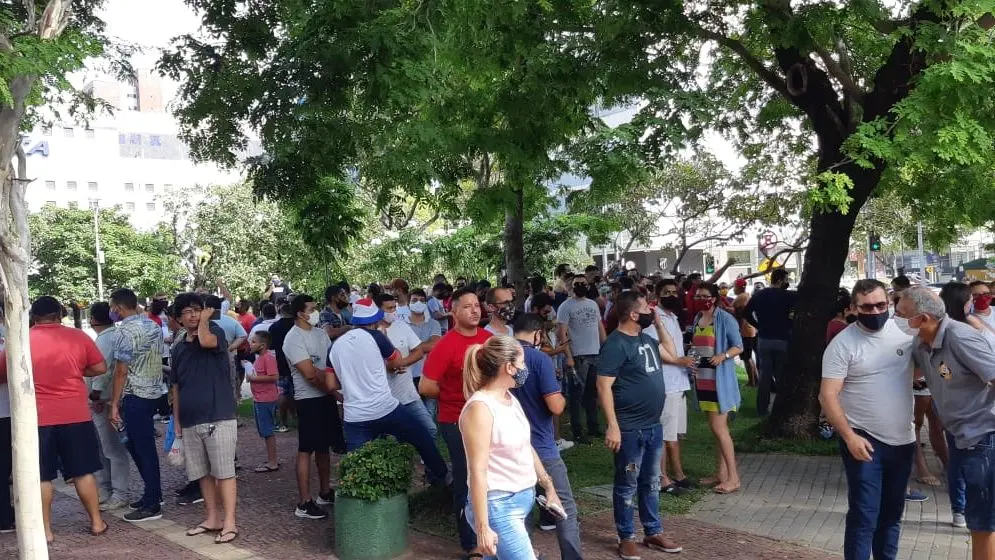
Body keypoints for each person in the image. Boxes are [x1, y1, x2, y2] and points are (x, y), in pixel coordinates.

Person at [820, 279, 916, 560]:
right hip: (864, 441)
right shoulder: (842, 344)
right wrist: (849, 437)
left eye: (880, 305)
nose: (875, 312)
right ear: (853, 308)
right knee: (864, 515)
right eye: (867, 307)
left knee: (892, 514)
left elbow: (929, 368)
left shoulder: (906, 334)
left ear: (889, 303)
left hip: (903, 440)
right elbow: (827, 395)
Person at [0, 296, 108, 542]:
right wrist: (76, 370)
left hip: (37, 418)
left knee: (42, 476)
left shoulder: (22, 341)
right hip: (75, 414)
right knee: (83, 471)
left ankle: (46, 531)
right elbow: (100, 367)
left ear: (33, 317)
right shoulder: (78, 337)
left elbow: (3, 373)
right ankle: (97, 522)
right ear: (60, 315)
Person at [899, 286, 995, 546]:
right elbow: (910, 374)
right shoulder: (921, 343)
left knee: (984, 525)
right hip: (958, 434)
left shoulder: (961, 338)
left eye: (901, 315)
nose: (897, 320)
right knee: (978, 522)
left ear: (923, 318)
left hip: (984, 436)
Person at [461, 335, 565, 560]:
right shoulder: (480, 408)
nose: (524, 368)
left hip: (518, 500)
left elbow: (525, 445)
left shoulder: (508, 398)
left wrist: (549, 487)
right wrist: (483, 527)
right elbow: (477, 470)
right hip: (498, 506)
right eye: (522, 363)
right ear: (509, 367)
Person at [596, 291, 683, 557]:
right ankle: (626, 536)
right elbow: (603, 386)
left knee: (651, 481)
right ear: (633, 314)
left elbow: (672, 353)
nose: (651, 310)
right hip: (629, 429)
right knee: (627, 482)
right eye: (646, 308)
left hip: (652, 426)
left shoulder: (646, 339)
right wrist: (613, 425)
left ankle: (653, 531)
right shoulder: (615, 345)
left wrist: (658, 324)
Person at [328, 298, 450, 484]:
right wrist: (386, 341)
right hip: (385, 408)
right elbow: (396, 362)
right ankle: (444, 477)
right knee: (421, 436)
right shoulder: (377, 337)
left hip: (355, 416)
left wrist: (351, 378)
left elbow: (330, 385)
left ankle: (364, 496)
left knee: (356, 465)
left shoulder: (335, 345)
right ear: (375, 320)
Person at [420, 288, 493, 554]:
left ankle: (495, 532)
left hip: (490, 418)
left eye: (477, 306)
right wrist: (457, 395)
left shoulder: (488, 340)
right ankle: (471, 544)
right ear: (453, 312)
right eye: (467, 306)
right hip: (456, 421)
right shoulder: (445, 345)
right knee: (467, 478)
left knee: (492, 475)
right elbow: (426, 386)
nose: (474, 310)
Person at [169, 293, 239, 544]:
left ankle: (230, 522)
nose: (193, 315)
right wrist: (177, 421)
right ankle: (212, 518)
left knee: (224, 472)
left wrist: (205, 320)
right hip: (190, 419)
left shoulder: (214, 332)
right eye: (187, 311)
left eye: (197, 310)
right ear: (179, 318)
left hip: (218, 416)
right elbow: (176, 387)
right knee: (202, 474)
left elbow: (207, 341)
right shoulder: (178, 348)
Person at [511, 314, 582, 559]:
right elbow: (555, 406)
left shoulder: (499, 356)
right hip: (541, 446)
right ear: (538, 334)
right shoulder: (539, 359)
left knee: (520, 507)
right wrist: (560, 395)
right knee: (563, 506)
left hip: (508, 447)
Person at [107, 288, 165, 522]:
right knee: (141, 446)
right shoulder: (153, 325)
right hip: (154, 391)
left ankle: (152, 503)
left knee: (142, 448)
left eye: (112, 307)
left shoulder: (124, 332)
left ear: (118, 307)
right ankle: (153, 493)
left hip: (135, 394)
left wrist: (114, 403)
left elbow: (121, 370)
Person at [283, 294, 341, 519]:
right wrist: (332, 387)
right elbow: (309, 373)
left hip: (326, 397)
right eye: (311, 309)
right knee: (306, 449)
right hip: (308, 399)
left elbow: (330, 366)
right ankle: (304, 501)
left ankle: (325, 491)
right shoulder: (293, 338)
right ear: (300, 313)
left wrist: (330, 385)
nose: (315, 312)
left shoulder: (320, 334)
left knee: (324, 446)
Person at [690, 283, 744, 494]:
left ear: (714, 298)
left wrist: (723, 356)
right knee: (716, 430)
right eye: (698, 296)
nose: (701, 299)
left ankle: (733, 478)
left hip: (719, 383)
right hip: (703, 380)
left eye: (705, 296)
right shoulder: (697, 318)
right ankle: (721, 474)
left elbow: (738, 346)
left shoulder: (725, 319)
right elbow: (696, 346)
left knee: (720, 429)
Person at [650, 280, 696, 496]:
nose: (671, 296)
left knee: (674, 434)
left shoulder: (673, 317)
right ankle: (662, 477)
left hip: (679, 382)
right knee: (663, 434)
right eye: (666, 292)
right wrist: (679, 360)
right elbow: (655, 349)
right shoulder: (654, 319)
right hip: (666, 383)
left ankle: (678, 473)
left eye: (674, 292)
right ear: (657, 295)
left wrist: (685, 358)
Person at [87, 302, 132, 511]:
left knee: (111, 448)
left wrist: (96, 395)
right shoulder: (112, 335)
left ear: (93, 319)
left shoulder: (106, 339)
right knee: (104, 448)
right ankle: (107, 489)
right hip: (105, 400)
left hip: (103, 401)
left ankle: (119, 492)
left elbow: (103, 370)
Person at [376, 294, 439, 440]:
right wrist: (389, 366)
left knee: (430, 428)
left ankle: (424, 454)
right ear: (378, 310)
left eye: (394, 307)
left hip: (408, 394)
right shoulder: (372, 333)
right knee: (394, 438)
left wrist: (400, 363)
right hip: (386, 398)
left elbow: (418, 351)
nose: (393, 311)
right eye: (389, 308)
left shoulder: (402, 326)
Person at [557, 273, 607, 444]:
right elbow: (561, 333)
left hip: (595, 353)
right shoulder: (565, 306)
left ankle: (593, 427)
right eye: (577, 284)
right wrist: (568, 356)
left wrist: (605, 347)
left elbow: (600, 327)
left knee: (591, 393)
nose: (581, 287)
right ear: (571, 287)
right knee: (576, 395)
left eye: (584, 284)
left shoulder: (593, 304)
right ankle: (577, 431)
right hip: (578, 355)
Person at [744, 268, 796, 416]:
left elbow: (746, 313)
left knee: (764, 377)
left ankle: (762, 409)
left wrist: (758, 325)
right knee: (781, 376)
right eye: (786, 280)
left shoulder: (759, 295)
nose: (787, 282)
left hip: (764, 339)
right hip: (782, 339)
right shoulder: (788, 296)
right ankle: (782, 409)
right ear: (780, 280)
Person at [247, 331, 280, 472]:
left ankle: (273, 462)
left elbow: (274, 376)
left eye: (254, 342)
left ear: (263, 345)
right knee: (264, 430)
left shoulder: (268, 358)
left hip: (266, 399)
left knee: (267, 430)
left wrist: (254, 378)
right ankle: (271, 458)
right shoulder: (258, 358)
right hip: (259, 398)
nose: (251, 344)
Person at [267, 303, 298, 433]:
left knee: (282, 393)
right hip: (297, 362)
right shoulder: (297, 325)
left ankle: (283, 422)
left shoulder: (274, 327)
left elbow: (270, 348)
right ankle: (297, 417)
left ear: (280, 312)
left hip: (280, 363)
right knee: (297, 392)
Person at [732, 278, 759, 387]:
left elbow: (736, 312)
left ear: (739, 287)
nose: (733, 289)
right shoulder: (746, 296)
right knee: (749, 357)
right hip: (750, 329)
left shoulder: (741, 297)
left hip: (746, 331)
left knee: (746, 358)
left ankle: (752, 382)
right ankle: (755, 379)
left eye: (734, 286)